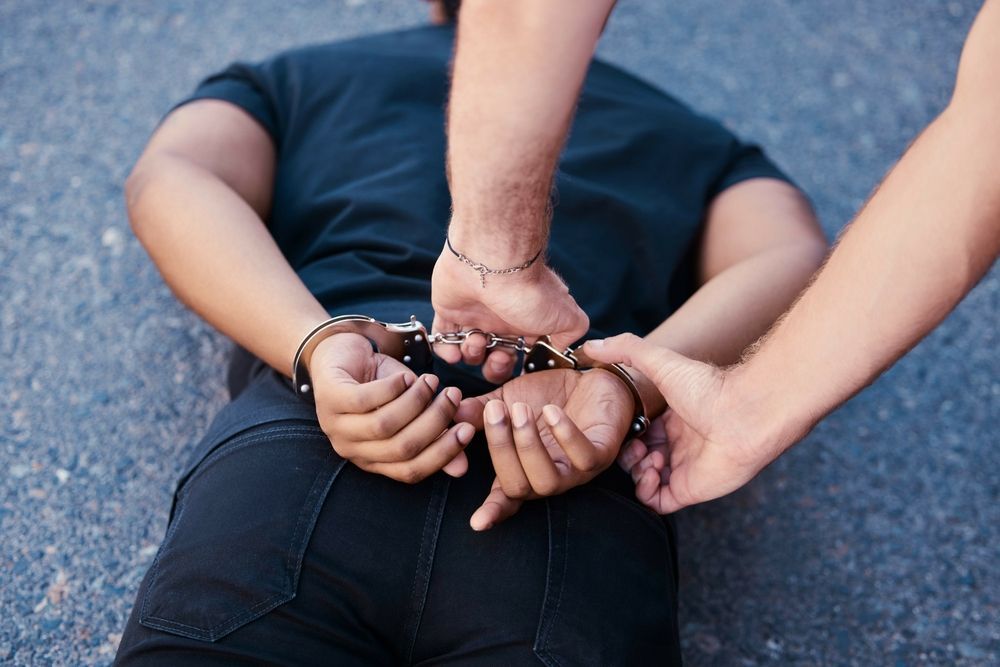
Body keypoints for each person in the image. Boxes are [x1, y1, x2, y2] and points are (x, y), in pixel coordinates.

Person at [114, 2, 825, 663]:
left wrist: (314, 341)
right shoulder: (698, 139)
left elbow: (171, 175)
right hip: (572, 458)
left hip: (315, 437)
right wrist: (626, 382)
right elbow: (792, 253)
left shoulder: (295, 75)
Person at [438, 0, 999, 524]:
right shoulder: (689, 135)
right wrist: (742, 403)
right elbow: (985, 129)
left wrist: (490, 259)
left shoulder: (357, 68)